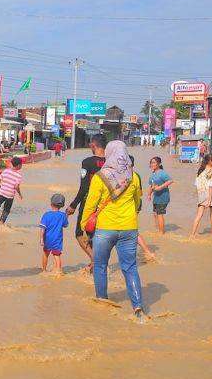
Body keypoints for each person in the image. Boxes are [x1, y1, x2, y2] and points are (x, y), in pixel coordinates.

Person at [80, 140, 145, 318]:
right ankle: (138, 308)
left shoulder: (100, 176)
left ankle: (102, 303)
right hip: (129, 228)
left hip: (105, 229)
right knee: (130, 268)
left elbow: (90, 204)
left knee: (100, 266)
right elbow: (137, 203)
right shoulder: (134, 176)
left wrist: (84, 226)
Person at [66, 134, 107, 269]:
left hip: (89, 203)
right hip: (107, 205)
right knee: (96, 234)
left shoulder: (87, 162)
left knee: (80, 234)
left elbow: (84, 187)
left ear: (93, 145)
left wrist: (73, 205)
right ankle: (96, 261)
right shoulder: (111, 162)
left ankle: (96, 261)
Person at [189, 153, 212, 238]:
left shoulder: (200, 170)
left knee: (199, 214)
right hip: (211, 195)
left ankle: (192, 234)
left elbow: (196, 184)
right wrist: (209, 199)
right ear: (210, 161)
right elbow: (211, 185)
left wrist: (197, 195)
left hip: (201, 194)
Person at [39, 193, 69, 274]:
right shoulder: (63, 215)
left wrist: (41, 239)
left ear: (51, 203)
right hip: (57, 240)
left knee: (45, 254)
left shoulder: (46, 215)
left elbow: (42, 228)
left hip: (47, 239)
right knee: (57, 256)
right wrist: (67, 216)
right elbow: (65, 225)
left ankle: (44, 270)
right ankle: (59, 272)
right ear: (62, 205)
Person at [0, 157, 23, 224]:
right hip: (10, 195)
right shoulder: (18, 175)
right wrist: (19, 194)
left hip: (2, 193)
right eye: (21, 165)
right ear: (19, 165)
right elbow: (16, 186)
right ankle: (1, 223)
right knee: (6, 209)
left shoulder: (6, 171)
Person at [147, 156, 173, 234]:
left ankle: (161, 233)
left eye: (154, 162)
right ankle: (159, 229)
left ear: (159, 164)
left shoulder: (162, 173)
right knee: (155, 213)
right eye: (151, 163)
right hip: (156, 197)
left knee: (159, 214)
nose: (152, 164)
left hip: (163, 196)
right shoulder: (153, 174)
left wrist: (160, 187)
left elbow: (170, 181)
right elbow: (152, 186)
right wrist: (149, 194)